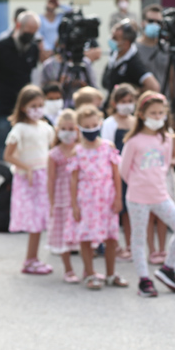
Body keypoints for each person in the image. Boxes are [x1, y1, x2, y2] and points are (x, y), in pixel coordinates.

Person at [120, 92, 175, 297]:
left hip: (161, 195)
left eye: (161, 113)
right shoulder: (134, 141)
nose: (157, 117)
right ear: (142, 114)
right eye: (153, 113)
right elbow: (124, 170)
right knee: (139, 239)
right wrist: (138, 184)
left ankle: (168, 268)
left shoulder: (166, 138)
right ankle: (144, 279)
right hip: (138, 197)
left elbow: (166, 164)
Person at [67, 104, 125, 290]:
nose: (91, 129)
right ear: (79, 128)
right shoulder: (77, 151)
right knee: (86, 237)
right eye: (87, 126)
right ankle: (90, 273)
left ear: (100, 124)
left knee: (111, 237)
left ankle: (110, 273)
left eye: (94, 125)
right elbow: (73, 180)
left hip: (106, 199)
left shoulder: (108, 147)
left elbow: (116, 174)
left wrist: (118, 198)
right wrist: (74, 205)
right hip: (87, 200)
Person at [0, 10, 40, 196]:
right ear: (18, 26)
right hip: (2, 109)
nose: (30, 36)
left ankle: (17, 198)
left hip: (24, 113)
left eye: (34, 32)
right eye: (28, 31)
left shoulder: (33, 49)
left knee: (23, 155)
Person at [3, 85, 56, 274]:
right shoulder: (20, 128)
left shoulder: (46, 128)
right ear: (24, 107)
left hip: (44, 176)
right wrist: (27, 168)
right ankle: (30, 259)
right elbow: (8, 155)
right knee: (35, 220)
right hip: (29, 179)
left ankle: (33, 258)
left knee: (41, 220)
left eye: (41, 105)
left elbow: (51, 149)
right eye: (33, 105)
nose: (38, 109)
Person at [101, 83, 138, 261]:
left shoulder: (136, 121)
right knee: (117, 209)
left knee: (130, 212)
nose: (127, 104)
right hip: (115, 172)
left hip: (134, 172)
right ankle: (114, 246)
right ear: (115, 103)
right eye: (123, 101)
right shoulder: (110, 123)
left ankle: (131, 245)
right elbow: (107, 147)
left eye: (130, 101)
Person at [47, 109, 81, 282]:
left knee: (81, 233)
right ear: (58, 130)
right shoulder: (54, 154)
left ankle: (88, 269)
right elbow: (51, 180)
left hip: (80, 198)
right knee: (64, 235)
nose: (68, 132)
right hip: (62, 199)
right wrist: (52, 203)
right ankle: (68, 269)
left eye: (72, 128)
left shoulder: (81, 150)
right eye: (64, 128)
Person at [102, 20, 161, 94]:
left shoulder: (134, 63)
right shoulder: (114, 53)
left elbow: (154, 87)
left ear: (126, 43)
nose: (111, 40)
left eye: (115, 38)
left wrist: (132, 95)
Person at [136, 4, 169, 91]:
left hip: (164, 100)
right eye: (150, 21)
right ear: (142, 23)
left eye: (158, 22)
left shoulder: (167, 48)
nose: (155, 24)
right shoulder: (133, 48)